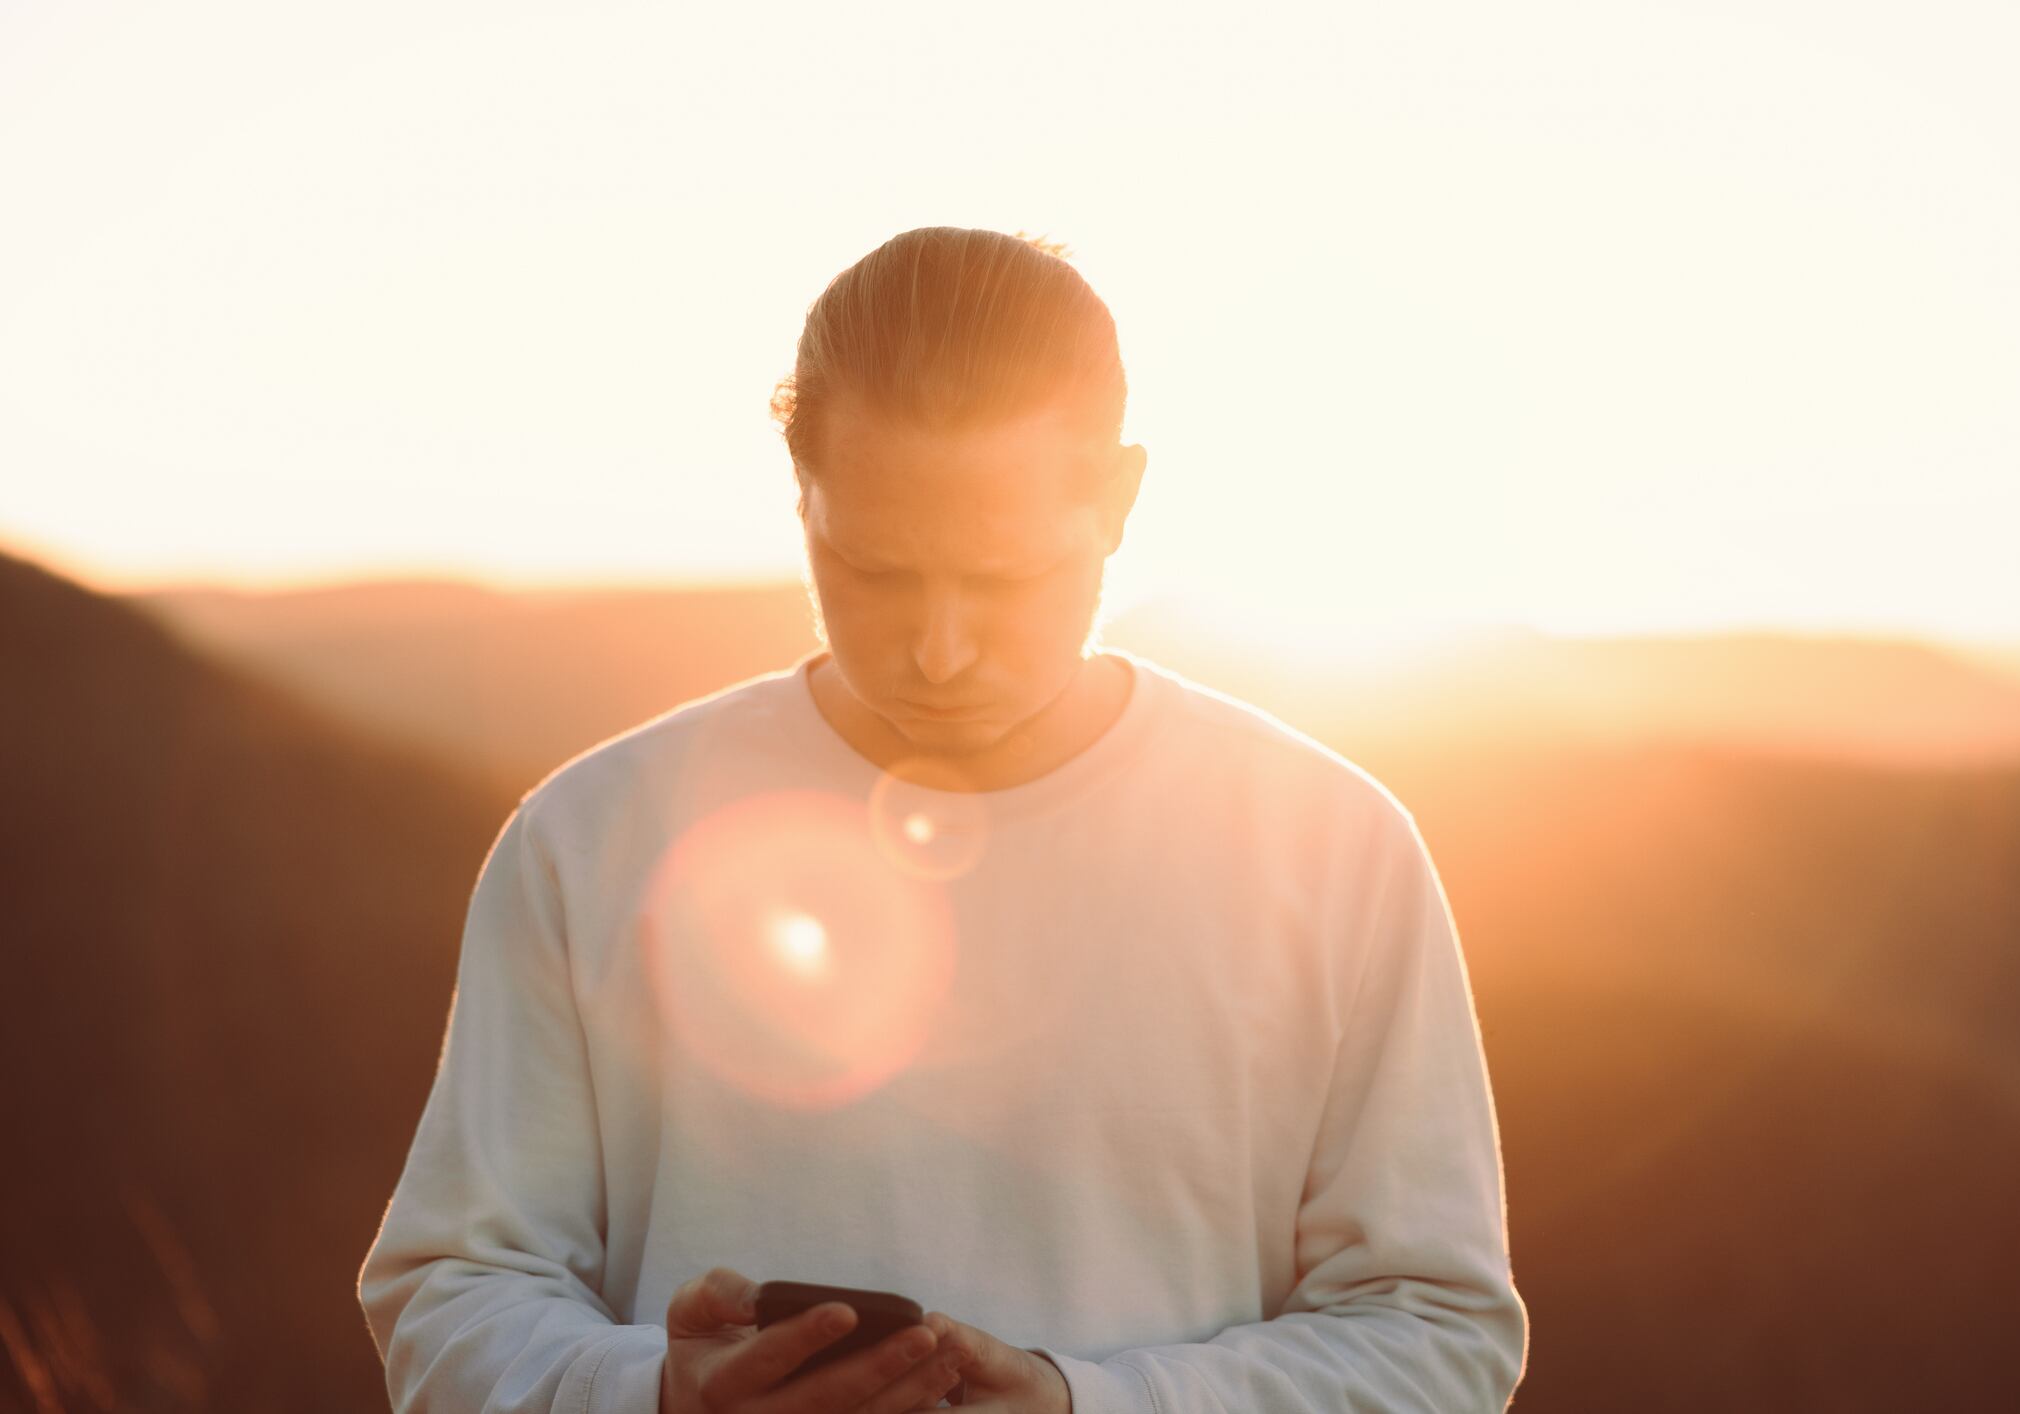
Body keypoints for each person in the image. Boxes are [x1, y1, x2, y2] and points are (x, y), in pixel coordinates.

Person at [358, 226, 1529, 1413]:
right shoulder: (590, 840)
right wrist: (659, 1395)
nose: (939, 648)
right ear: (800, 494)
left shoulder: (1330, 851)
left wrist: (1088, 1405)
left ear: (1118, 499)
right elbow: (455, 1293)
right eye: (873, 569)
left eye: (1002, 577)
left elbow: (1435, 1337)